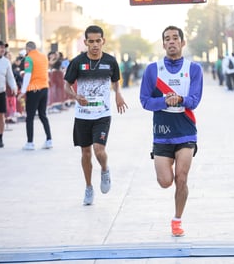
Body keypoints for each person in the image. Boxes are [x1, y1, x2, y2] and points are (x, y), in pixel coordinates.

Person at [139, 26, 203, 237]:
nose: (172, 41)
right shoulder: (152, 70)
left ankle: (177, 220)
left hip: (186, 130)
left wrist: (181, 100)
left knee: (181, 178)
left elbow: (194, 101)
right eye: (167, 39)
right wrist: (164, 100)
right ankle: (163, 172)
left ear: (183, 42)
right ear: (163, 44)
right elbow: (145, 101)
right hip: (162, 132)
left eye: (176, 38)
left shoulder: (193, 69)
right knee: (165, 181)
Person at [64, 25, 128, 206]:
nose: (94, 45)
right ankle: (89, 187)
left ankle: (105, 170)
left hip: (102, 114)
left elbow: (116, 82)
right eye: (90, 41)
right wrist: (76, 96)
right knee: (85, 153)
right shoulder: (77, 62)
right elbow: (66, 86)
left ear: (103, 41)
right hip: (83, 115)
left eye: (97, 41)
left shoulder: (111, 61)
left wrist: (118, 95)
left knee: (99, 150)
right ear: (85, 42)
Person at [17, 41, 53, 150]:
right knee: (43, 114)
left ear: (27, 49)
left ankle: (30, 142)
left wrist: (22, 92)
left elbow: (27, 75)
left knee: (30, 117)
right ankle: (49, 140)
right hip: (44, 88)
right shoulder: (43, 57)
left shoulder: (29, 58)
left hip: (33, 89)